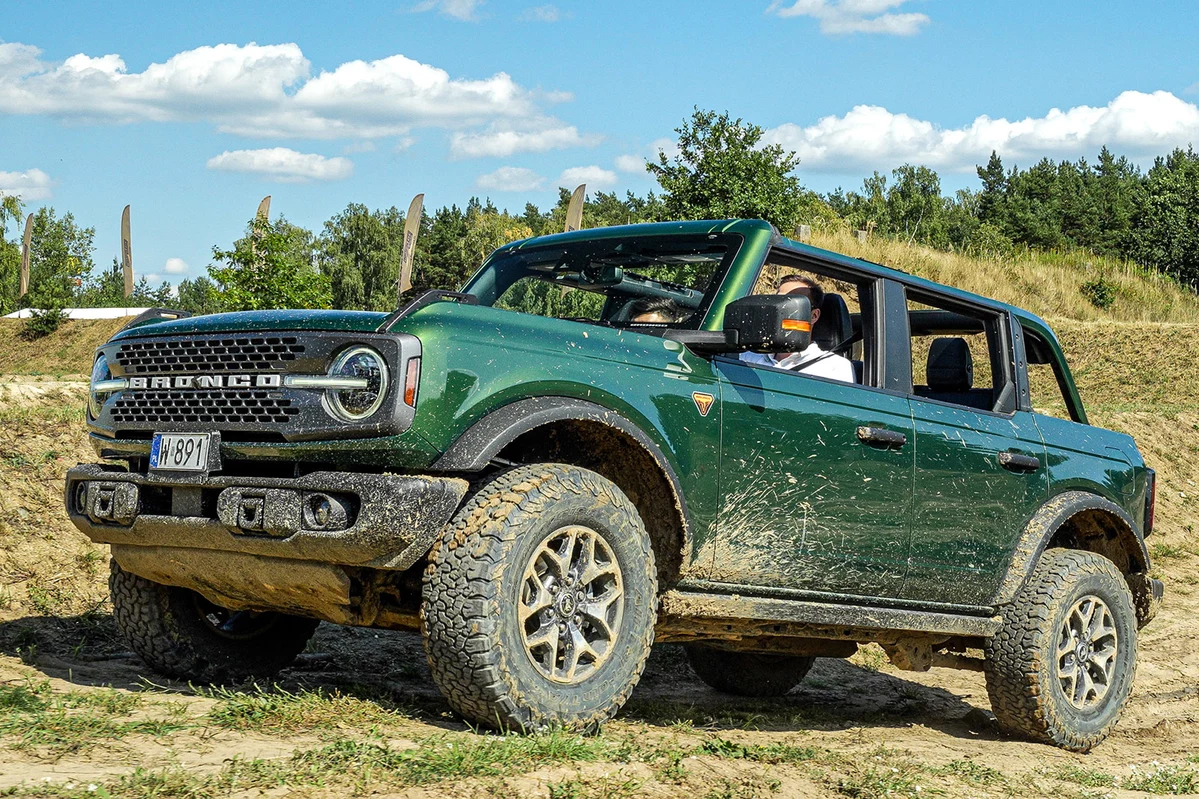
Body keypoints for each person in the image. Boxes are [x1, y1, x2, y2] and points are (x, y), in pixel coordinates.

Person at [740, 274, 856, 383]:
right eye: (777, 302)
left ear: (813, 316)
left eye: (792, 306)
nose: (780, 309)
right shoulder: (746, 357)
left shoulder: (835, 368)